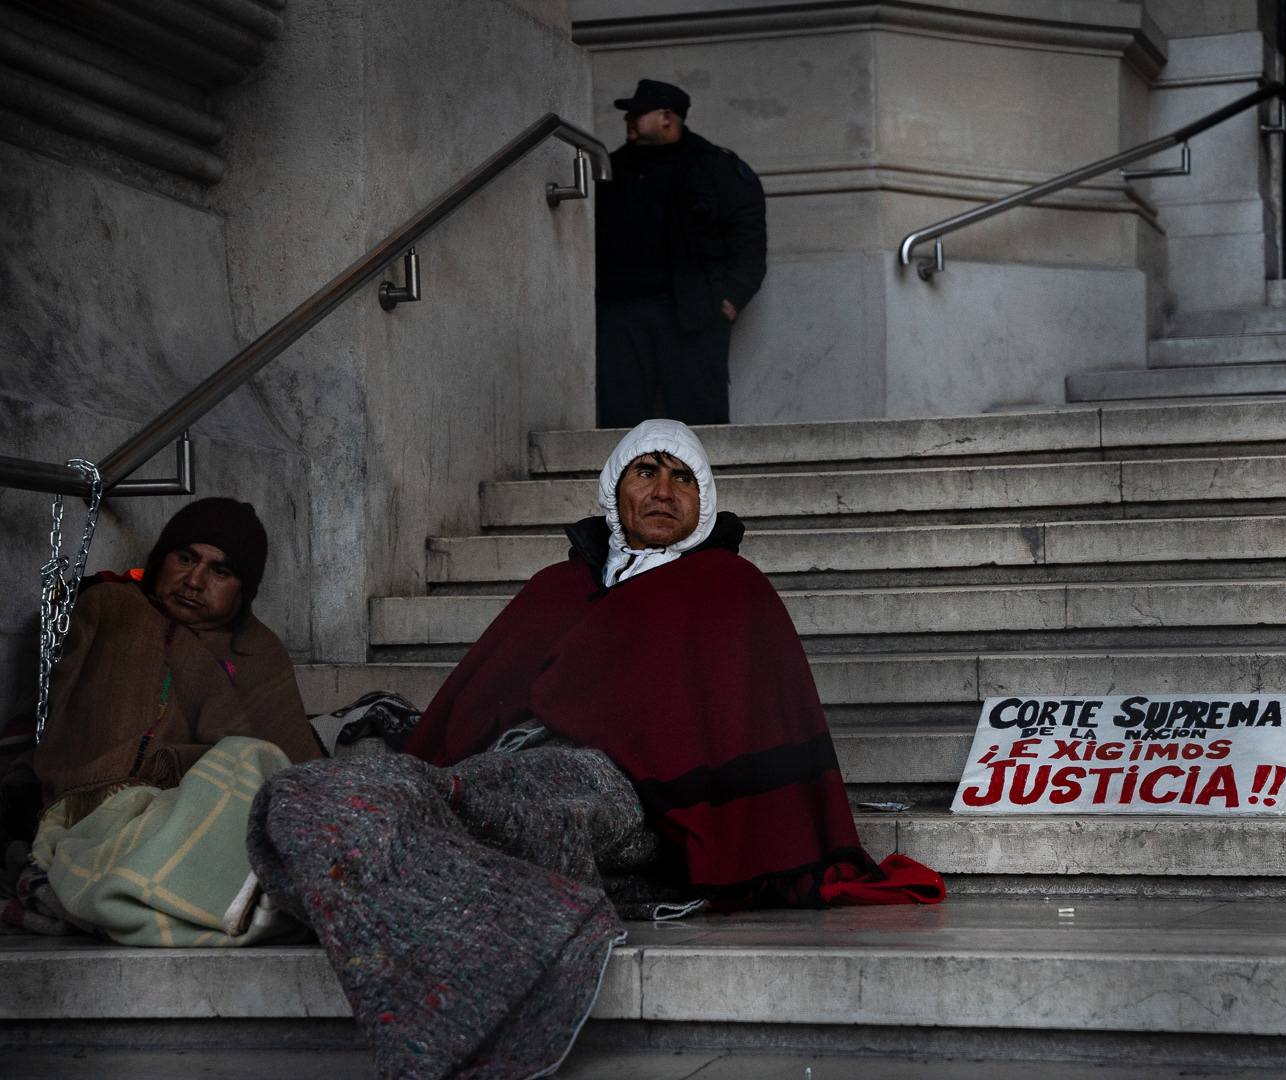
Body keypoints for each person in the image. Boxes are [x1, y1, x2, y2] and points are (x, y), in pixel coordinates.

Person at [405, 420, 942, 910]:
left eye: (683, 478)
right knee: (437, 788)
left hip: (644, 799)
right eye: (646, 472)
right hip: (522, 757)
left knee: (521, 806)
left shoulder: (728, 588)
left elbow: (754, 726)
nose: (663, 491)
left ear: (702, 501)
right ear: (616, 490)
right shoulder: (557, 588)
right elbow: (475, 703)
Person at [3, 497, 321, 944]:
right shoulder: (111, 606)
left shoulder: (257, 653)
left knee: (249, 757)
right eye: (186, 558)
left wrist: (188, 761)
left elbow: (293, 765)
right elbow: (59, 711)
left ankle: (232, 896)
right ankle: (226, 902)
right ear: (160, 559)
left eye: (220, 571)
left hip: (192, 807)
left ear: (242, 590)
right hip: (95, 806)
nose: (194, 581)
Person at [594, 79, 767, 429]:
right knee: (620, 422)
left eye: (638, 112)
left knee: (699, 419)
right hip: (622, 314)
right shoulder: (610, 169)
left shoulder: (715, 168)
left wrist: (732, 297)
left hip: (692, 314)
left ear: (667, 117)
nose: (629, 119)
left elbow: (748, 236)